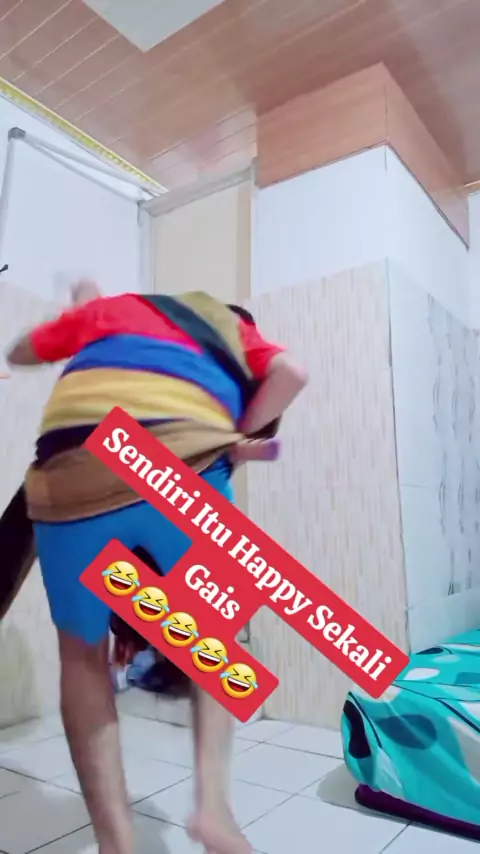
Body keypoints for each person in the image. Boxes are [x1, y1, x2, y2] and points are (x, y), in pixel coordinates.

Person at [6, 280, 308, 854]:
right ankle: (213, 810)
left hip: (70, 475)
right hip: (178, 471)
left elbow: (18, 352)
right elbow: (293, 374)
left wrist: (76, 313)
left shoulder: (110, 311)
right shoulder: (234, 332)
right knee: (216, 644)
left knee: (81, 657)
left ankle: (116, 842)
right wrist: (236, 436)